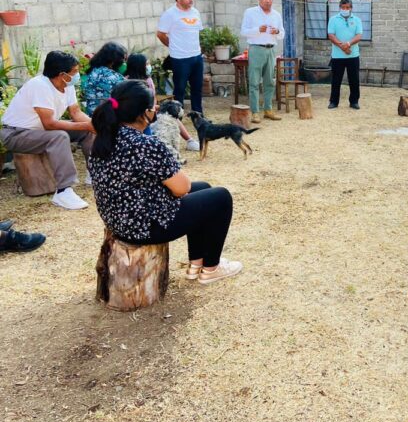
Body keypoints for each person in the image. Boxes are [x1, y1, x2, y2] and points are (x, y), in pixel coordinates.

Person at [88, 80, 242, 284]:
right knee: (221, 197)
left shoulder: (104, 140)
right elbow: (182, 188)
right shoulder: (145, 144)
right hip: (145, 226)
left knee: (203, 188)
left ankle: (197, 263)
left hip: (119, 220)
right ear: (145, 113)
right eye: (153, 106)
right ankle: (212, 267)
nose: (156, 109)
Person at [0, 51, 93, 210]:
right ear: (62, 74)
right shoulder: (39, 85)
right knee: (59, 137)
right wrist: (87, 125)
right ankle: (64, 191)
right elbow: (49, 124)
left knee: (89, 131)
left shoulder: (66, 84)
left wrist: (96, 125)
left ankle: (96, 174)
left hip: (39, 131)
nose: (77, 75)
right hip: (15, 134)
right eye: (75, 72)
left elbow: (76, 113)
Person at [125, 54, 199, 149]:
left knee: (171, 116)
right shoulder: (126, 82)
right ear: (139, 66)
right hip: (139, 116)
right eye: (146, 64)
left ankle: (190, 141)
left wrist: (158, 107)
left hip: (151, 112)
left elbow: (153, 98)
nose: (149, 66)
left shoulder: (148, 80)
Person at [157, 0, 205, 115]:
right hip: (180, 59)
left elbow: (196, 33)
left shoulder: (195, 12)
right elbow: (160, 34)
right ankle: (178, 116)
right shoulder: (170, 14)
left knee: (197, 88)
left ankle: (198, 114)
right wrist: (172, 45)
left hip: (196, 56)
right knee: (180, 89)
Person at [240, 0, 284, 123]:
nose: (268, 1)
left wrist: (277, 31)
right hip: (256, 49)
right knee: (254, 81)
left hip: (271, 49)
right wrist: (258, 30)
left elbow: (282, 34)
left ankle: (268, 109)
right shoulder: (250, 12)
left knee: (269, 81)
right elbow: (243, 31)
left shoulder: (276, 15)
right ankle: (255, 112)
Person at [327, 0, 364, 110]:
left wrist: (348, 44)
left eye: (347, 7)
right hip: (337, 56)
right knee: (336, 80)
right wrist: (342, 46)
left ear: (351, 8)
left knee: (354, 79)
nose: (345, 9)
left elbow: (359, 36)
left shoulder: (357, 20)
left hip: (353, 55)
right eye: (343, 7)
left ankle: (354, 101)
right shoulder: (333, 19)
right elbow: (331, 35)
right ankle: (333, 102)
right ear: (340, 8)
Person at [81, 42, 127, 116]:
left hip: (92, 114)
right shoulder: (108, 75)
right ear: (113, 60)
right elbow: (129, 90)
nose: (124, 62)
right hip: (107, 118)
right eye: (123, 59)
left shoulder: (94, 70)